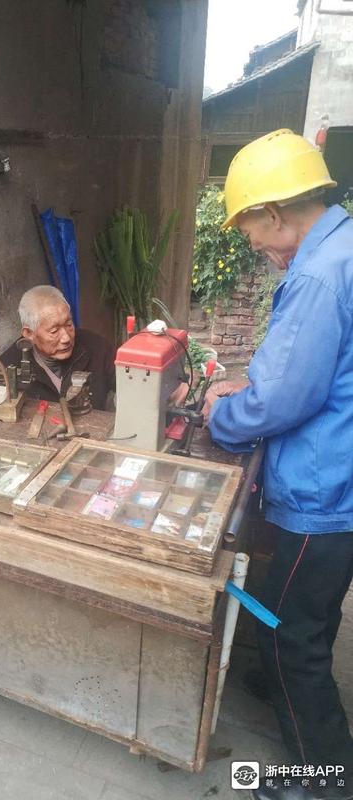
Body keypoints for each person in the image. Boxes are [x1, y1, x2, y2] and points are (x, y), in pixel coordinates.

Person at [203, 129, 353, 800]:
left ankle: (323, 779)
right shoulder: (343, 250)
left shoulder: (317, 276)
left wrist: (221, 416)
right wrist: (255, 383)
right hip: (341, 475)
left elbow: (285, 401)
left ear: (274, 212)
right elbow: (314, 368)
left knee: (293, 635)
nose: (256, 247)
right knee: (306, 611)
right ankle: (282, 678)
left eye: (252, 233)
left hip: (324, 492)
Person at [0, 285, 115, 410]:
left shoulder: (99, 348)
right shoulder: (8, 367)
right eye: (54, 331)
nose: (66, 338)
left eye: (69, 325)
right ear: (29, 333)